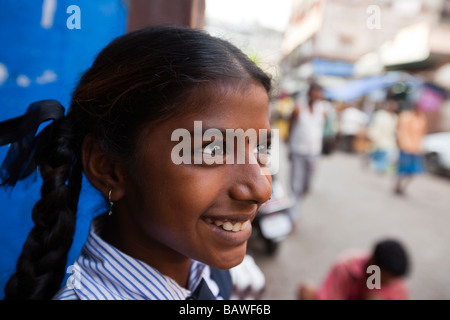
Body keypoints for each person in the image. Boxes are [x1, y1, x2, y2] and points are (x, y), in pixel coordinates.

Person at [0, 25, 273, 300]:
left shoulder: (208, 273)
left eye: (261, 148)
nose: (261, 190)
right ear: (108, 168)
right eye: (213, 150)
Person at [298, 238, 410, 300]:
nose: (385, 283)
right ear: (373, 262)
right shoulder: (347, 266)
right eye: (382, 278)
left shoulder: (395, 282)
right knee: (306, 291)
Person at [286, 82, 327, 221]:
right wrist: (289, 147)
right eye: (314, 92)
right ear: (309, 93)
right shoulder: (298, 107)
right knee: (295, 185)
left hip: (314, 152)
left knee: (306, 185)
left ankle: (295, 204)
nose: (316, 95)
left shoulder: (322, 109)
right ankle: (293, 215)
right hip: (298, 150)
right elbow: (290, 126)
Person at [394, 103, 427, 195]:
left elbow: (422, 134)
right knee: (402, 169)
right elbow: (399, 130)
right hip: (405, 147)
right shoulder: (405, 116)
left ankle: (403, 188)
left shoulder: (422, 119)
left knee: (413, 171)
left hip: (416, 149)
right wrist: (399, 143)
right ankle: (398, 185)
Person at [367, 98, 399, 174]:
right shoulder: (380, 115)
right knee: (378, 156)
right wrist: (373, 137)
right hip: (379, 140)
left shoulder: (394, 117)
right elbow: (375, 127)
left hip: (389, 142)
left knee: (387, 158)